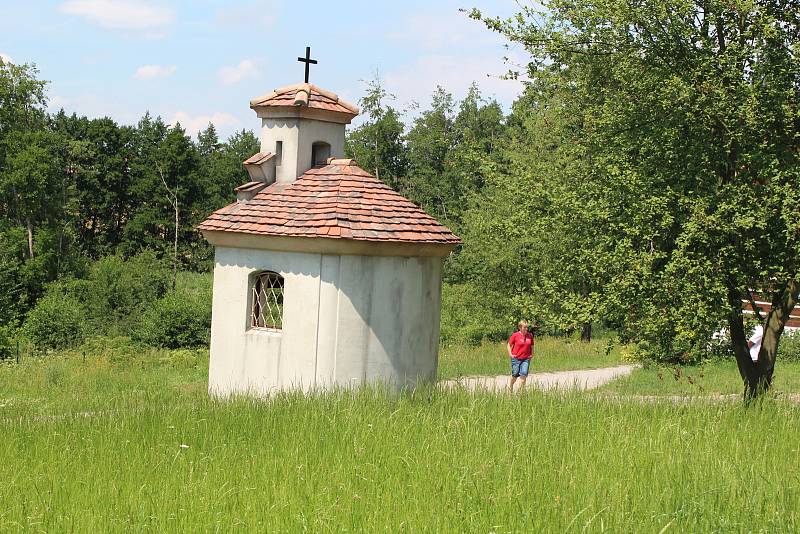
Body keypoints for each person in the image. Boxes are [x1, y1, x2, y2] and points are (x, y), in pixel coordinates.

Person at [508, 320, 534, 392]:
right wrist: (510, 354)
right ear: (520, 327)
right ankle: (510, 387)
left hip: (526, 359)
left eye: (527, 327)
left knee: (524, 375)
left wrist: (532, 354)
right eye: (524, 327)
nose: (526, 329)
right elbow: (509, 345)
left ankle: (519, 393)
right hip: (516, 359)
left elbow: (532, 345)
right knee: (515, 375)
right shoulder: (515, 335)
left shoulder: (530, 335)